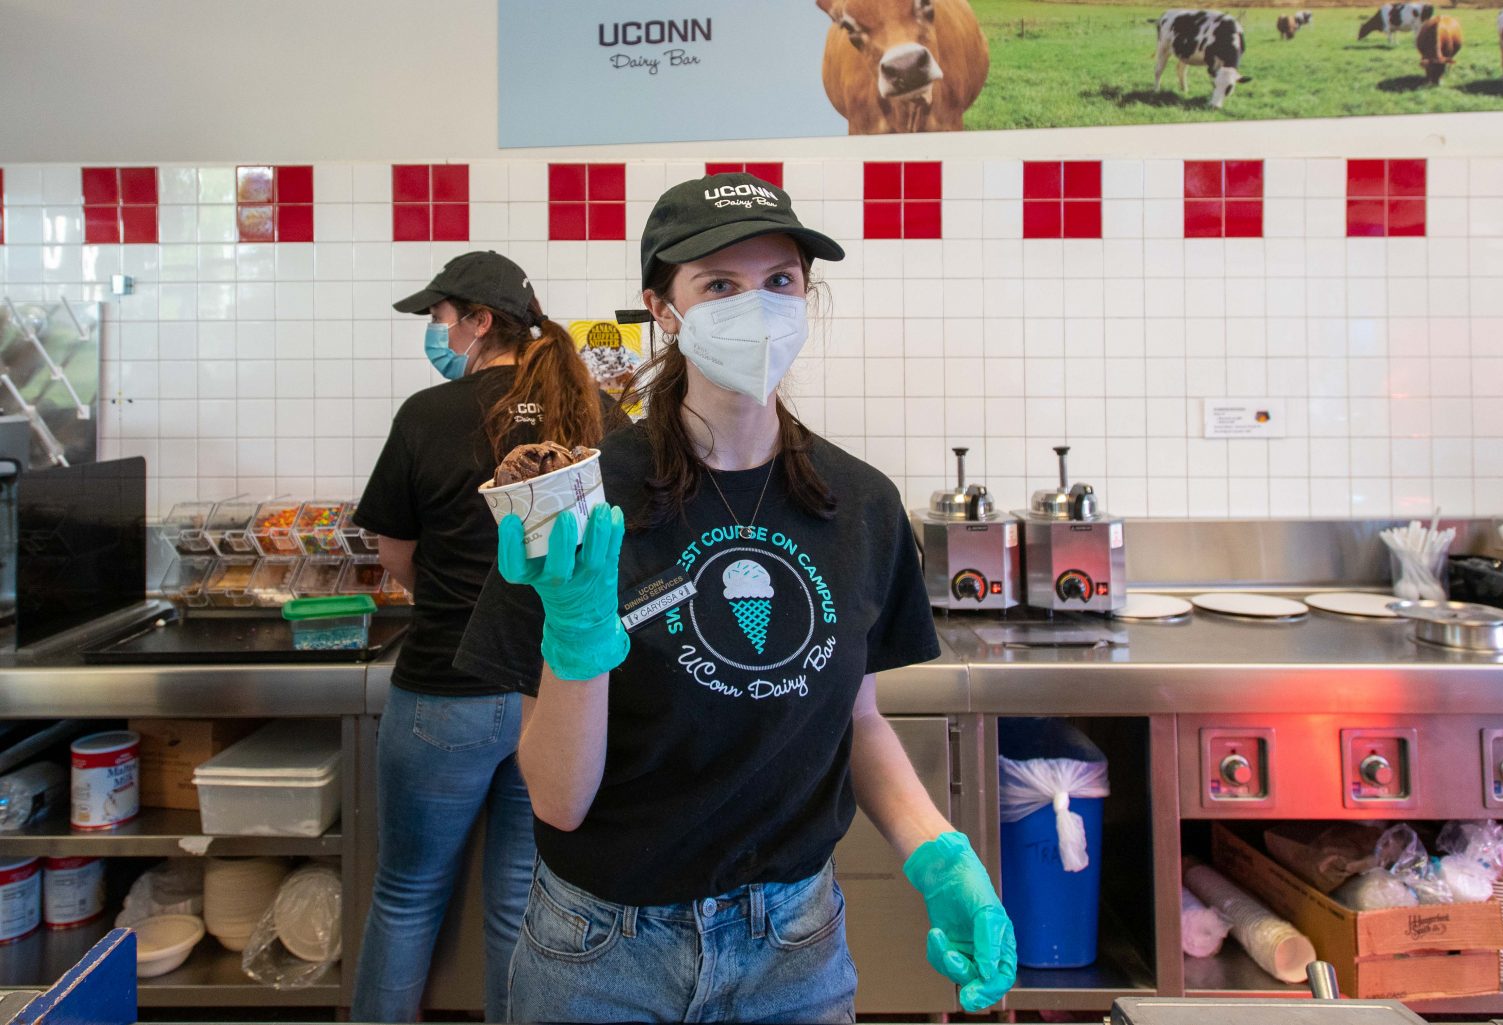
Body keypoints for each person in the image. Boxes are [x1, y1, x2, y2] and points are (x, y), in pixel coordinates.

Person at [454, 175, 1016, 1023]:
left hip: (794, 949)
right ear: (663, 308)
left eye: (780, 281)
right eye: (719, 284)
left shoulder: (859, 505)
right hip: (600, 951)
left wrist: (939, 855)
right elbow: (559, 798)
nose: (756, 307)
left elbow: (858, 725)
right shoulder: (580, 504)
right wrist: (576, 637)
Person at [349, 250, 613, 1022]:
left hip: (445, 691)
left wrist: (452, 601)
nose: (436, 334)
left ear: (478, 321)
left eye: (439, 317)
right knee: (518, 905)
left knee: (405, 896)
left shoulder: (427, 415)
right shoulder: (591, 411)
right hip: (554, 695)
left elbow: (392, 551)